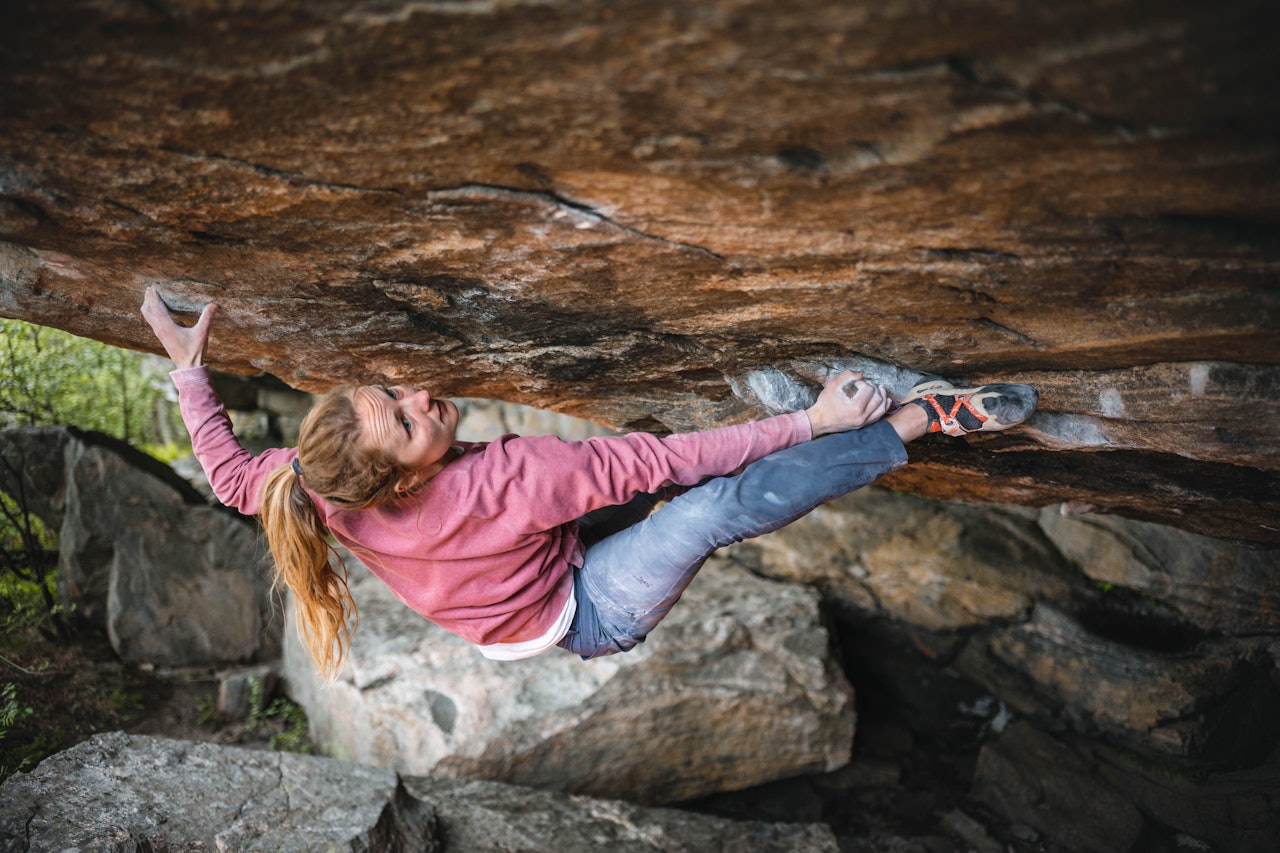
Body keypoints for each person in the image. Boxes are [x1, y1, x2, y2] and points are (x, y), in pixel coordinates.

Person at [142, 286, 1037, 680]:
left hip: (538, 552)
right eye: (408, 421)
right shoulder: (507, 480)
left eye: (389, 392)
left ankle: (808, 433)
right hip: (585, 612)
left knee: (654, 459)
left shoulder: (313, 478)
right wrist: (815, 419)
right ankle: (915, 423)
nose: (419, 396)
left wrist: (190, 370)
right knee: (704, 510)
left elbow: (228, 473)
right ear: (395, 483)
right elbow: (665, 467)